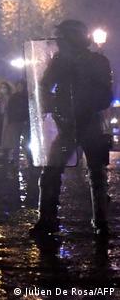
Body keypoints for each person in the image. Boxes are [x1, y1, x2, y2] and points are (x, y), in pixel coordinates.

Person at [30, 20, 113, 237]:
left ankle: (99, 221)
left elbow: (105, 96)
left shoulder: (92, 61)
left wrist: (74, 106)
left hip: (87, 122)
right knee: (54, 171)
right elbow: (44, 86)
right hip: (71, 123)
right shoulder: (71, 62)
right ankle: (50, 218)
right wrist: (56, 108)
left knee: (94, 173)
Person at [4, 80, 30, 163]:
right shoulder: (13, 97)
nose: (19, 88)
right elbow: (10, 110)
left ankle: (29, 158)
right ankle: (16, 160)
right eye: (18, 86)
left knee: (26, 142)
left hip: (24, 122)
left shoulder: (26, 97)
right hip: (16, 122)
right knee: (16, 142)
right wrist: (11, 121)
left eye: (21, 86)